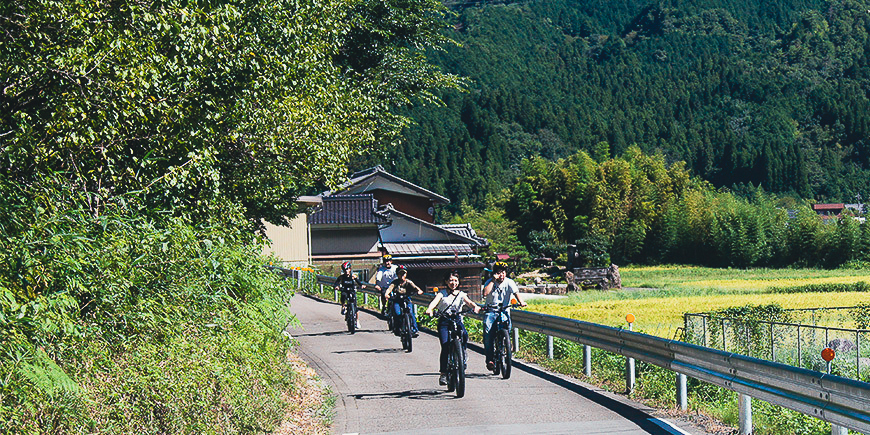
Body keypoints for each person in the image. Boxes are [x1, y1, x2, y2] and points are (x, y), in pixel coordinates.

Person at [425, 271, 480, 386]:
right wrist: (430, 309)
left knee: (464, 335)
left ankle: (462, 354)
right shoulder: (442, 293)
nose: (453, 283)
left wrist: (475, 307)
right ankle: (443, 373)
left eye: (455, 280)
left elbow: (469, 302)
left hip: (457, 320)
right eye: (450, 280)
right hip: (445, 321)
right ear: (446, 281)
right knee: (445, 346)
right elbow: (434, 302)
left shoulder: (461, 294)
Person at [482, 261, 527, 371]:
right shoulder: (489, 282)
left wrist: (521, 302)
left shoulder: (509, 282)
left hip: (504, 310)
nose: (501, 275)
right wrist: (493, 280)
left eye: (503, 272)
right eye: (498, 273)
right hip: (491, 311)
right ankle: (490, 360)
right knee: (488, 335)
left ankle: (506, 345)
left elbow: (516, 293)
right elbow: (485, 293)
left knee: (506, 330)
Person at [384, 265, 423, 337]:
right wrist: (387, 294)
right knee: (397, 313)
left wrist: (419, 291)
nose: (402, 275)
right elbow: (389, 289)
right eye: (400, 273)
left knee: (411, 313)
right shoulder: (395, 282)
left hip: (406, 299)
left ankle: (414, 329)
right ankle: (397, 328)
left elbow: (416, 287)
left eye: (403, 273)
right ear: (397, 274)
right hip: (397, 300)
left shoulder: (408, 282)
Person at [333, 261, 361, 329]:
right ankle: (343, 307)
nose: (346, 271)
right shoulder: (342, 277)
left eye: (347, 269)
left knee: (355, 306)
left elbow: (359, 282)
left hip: (352, 291)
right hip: (345, 290)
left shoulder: (353, 276)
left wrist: (361, 285)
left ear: (350, 269)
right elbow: (336, 282)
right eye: (345, 270)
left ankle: (357, 321)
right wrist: (336, 286)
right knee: (343, 295)